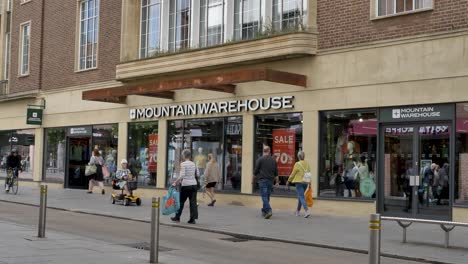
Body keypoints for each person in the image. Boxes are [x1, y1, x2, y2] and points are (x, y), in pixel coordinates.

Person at [171, 149, 199, 224]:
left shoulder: (183, 164)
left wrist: (175, 182)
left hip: (186, 185)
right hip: (194, 185)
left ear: (184, 155)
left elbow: (182, 175)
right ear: (189, 156)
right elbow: (198, 174)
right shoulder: (194, 164)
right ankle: (192, 219)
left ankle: (177, 217)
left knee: (181, 202)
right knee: (193, 202)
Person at [253, 146, 279, 219]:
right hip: (270, 181)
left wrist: (252, 180)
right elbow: (276, 173)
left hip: (263, 181)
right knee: (267, 197)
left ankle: (269, 210)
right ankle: (264, 211)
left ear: (263, 151)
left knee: (264, 197)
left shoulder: (260, 159)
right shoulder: (273, 160)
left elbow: (255, 171)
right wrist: (277, 182)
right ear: (269, 151)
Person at [286, 151, 311, 218]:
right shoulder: (307, 164)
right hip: (305, 182)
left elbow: (293, 174)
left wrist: (288, 181)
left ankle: (306, 211)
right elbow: (309, 174)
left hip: (299, 182)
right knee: (301, 196)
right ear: (304, 156)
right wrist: (310, 183)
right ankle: (297, 211)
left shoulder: (297, 164)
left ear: (298, 157)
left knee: (301, 196)